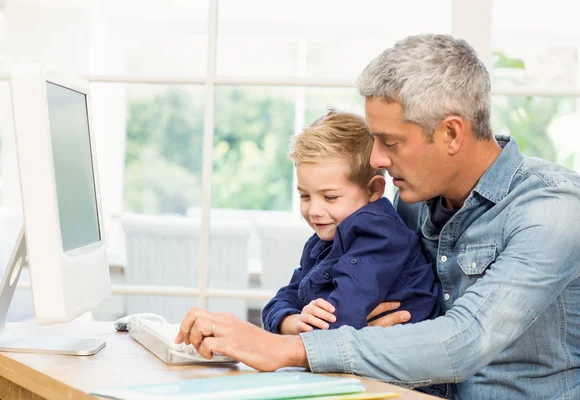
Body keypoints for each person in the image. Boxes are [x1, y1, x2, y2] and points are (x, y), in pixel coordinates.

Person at [176, 34, 580, 399]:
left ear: (452, 134)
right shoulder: (412, 198)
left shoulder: (552, 209)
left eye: (390, 142)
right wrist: (308, 326)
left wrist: (288, 349)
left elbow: (465, 340)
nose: (377, 160)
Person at [262, 110, 441, 335]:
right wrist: (295, 321)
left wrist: (302, 327)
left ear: (373, 189)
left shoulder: (381, 238)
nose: (314, 211)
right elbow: (280, 302)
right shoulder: (321, 242)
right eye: (305, 196)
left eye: (330, 197)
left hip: (402, 361)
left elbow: (338, 321)